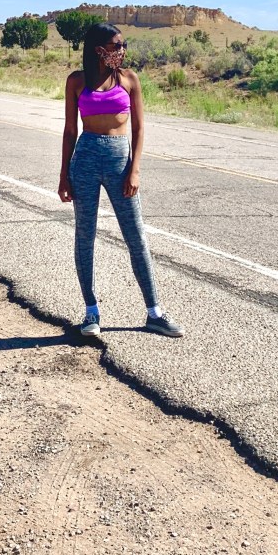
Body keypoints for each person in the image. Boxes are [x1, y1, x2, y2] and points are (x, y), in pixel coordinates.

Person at [58, 22, 184, 338]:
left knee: (136, 236)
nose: (122, 51)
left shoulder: (129, 79)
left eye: (123, 45)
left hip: (120, 161)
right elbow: (70, 130)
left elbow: (139, 129)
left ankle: (155, 313)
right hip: (85, 160)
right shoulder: (77, 81)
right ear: (99, 50)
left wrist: (135, 170)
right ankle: (91, 312)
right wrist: (64, 175)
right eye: (117, 46)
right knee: (85, 235)